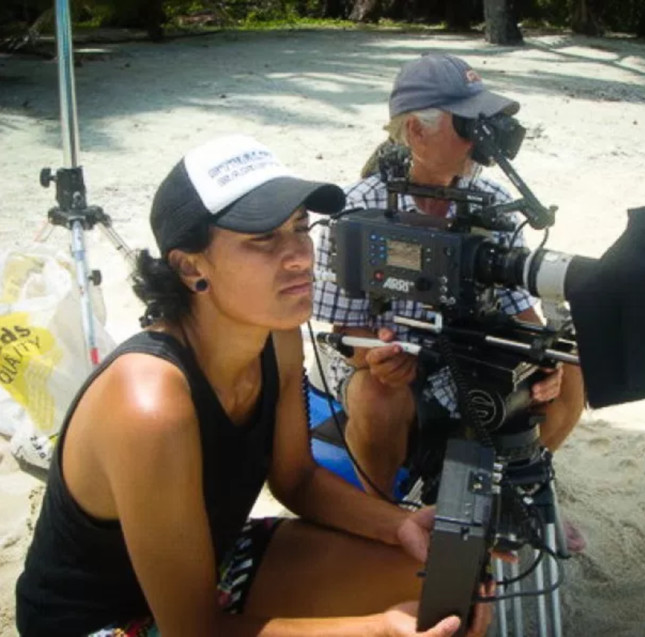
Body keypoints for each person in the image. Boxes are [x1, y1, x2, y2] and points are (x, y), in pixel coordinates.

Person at [15, 134, 491, 637]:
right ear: (190, 266)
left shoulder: (277, 336)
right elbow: (193, 630)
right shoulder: (150, 405)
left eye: (300, 228)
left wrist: (397, 525)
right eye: (263, 239)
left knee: (441, 594)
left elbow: (296, 480)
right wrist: (376, 629)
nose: (300, 257)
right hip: (103, 622)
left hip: (217, 561)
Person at [312, 53, 586, 550]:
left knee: (572, 371)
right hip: (389, 363)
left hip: (469, 353)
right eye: (468, 126)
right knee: (377, 395)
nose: (481, 143)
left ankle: (515, 499)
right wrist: (376, 355)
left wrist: (543, 356)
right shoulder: (357, 211)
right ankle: (387, 525)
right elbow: (340, 333)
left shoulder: (489, 198)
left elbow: (514, 297)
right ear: (416, 131)